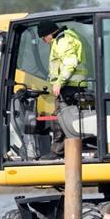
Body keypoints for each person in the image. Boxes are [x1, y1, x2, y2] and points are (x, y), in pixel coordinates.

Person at [39, 20, 90, 157]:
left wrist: (59, 82)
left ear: (49, 33)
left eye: (43, 37)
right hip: (73, 86)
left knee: (60, 118)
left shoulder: (63, 40)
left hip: (69, 87)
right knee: (70, 118)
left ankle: (58, 151)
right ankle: (73, 147)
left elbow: (70, 63)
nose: (44, 41)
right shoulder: (66, 37)